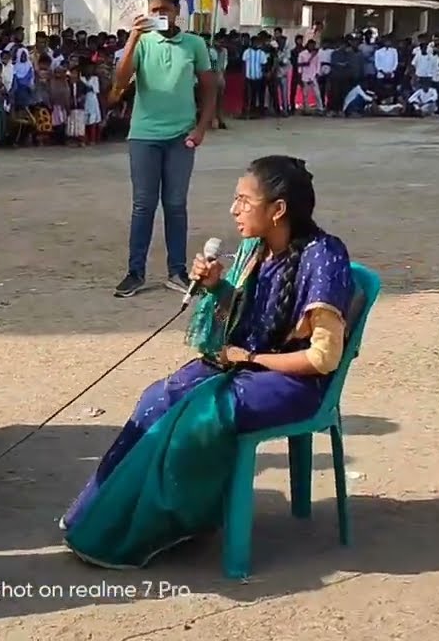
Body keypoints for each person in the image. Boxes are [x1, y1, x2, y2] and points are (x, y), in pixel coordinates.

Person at [62, 155, 354, 568]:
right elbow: (247, 317)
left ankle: (169, 522)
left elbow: (323, 359)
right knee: (160, 397)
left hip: (294, 384)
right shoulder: (257, 250)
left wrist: (251, 357)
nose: (234, 210)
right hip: (245, 366)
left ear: (278, 210)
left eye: (243, 201)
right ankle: (99, 517)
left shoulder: (324, 256)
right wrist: (218, 288)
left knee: (195, 416)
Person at [113, 0, 216, 299]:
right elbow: (119, 82)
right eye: (154, 10)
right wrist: (133, 37)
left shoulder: (194, 44)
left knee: (175, 205)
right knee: (143, 206)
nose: (159, 15)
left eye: (165, 10)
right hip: (144, 136)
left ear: (177, 11)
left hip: (180, 137)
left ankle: (177, 271)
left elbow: (210, 88)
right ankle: (135, 272)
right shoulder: (142, 42)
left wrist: (201, 128)